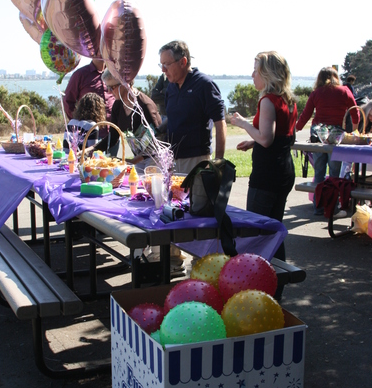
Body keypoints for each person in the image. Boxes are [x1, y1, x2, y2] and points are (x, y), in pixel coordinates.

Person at [230, 51, 297, 266]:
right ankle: (281, 276)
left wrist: (243, 124)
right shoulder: (289, 101)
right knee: (275, 229)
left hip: (267, 176)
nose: (252, 75)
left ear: (268, 74)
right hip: (284, 171)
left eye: (256, 71)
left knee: (257, 231)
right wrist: (253, 142)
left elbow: (266, 139)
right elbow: (285, 138)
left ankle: (258, 276)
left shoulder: (268, 101)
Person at [296, 67, 359, 215]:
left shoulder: (316, 93)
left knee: (319, 172)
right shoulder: (344, 91)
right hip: (336, 135)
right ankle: (332, 207)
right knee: (334, 173)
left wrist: (295, 129)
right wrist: (354, 130)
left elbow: (306, 115)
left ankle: (318, 206)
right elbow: (355, 112)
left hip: (318, 133)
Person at [158, 40, 226, 174]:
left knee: (196, 190)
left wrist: (218, 161)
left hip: (196, 160)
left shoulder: (204, 84)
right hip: (172, 160)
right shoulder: (171, 87)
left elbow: (220, 122)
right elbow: (173, 118)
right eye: (161, 64)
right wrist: (156, 131)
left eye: (167, 64)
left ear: (183, 62)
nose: (163, 70)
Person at [93, 70, 162, 167]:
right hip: (138, 158)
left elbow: (157, 138)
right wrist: (92, 149)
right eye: (107, 87)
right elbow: (113, 136)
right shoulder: (118, 105)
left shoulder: (144, 105)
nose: (109, 91)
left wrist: (133, 161)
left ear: (125, 84)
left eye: (112, 87)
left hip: (155, 158)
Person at [63, 58, 114, 127]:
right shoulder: (80, 74)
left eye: (102, 51)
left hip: (114, 129)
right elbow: (68, 101)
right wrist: (78, 123)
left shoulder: (114, 72)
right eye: (97, 51)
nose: (100, 53)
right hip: (89, 130)